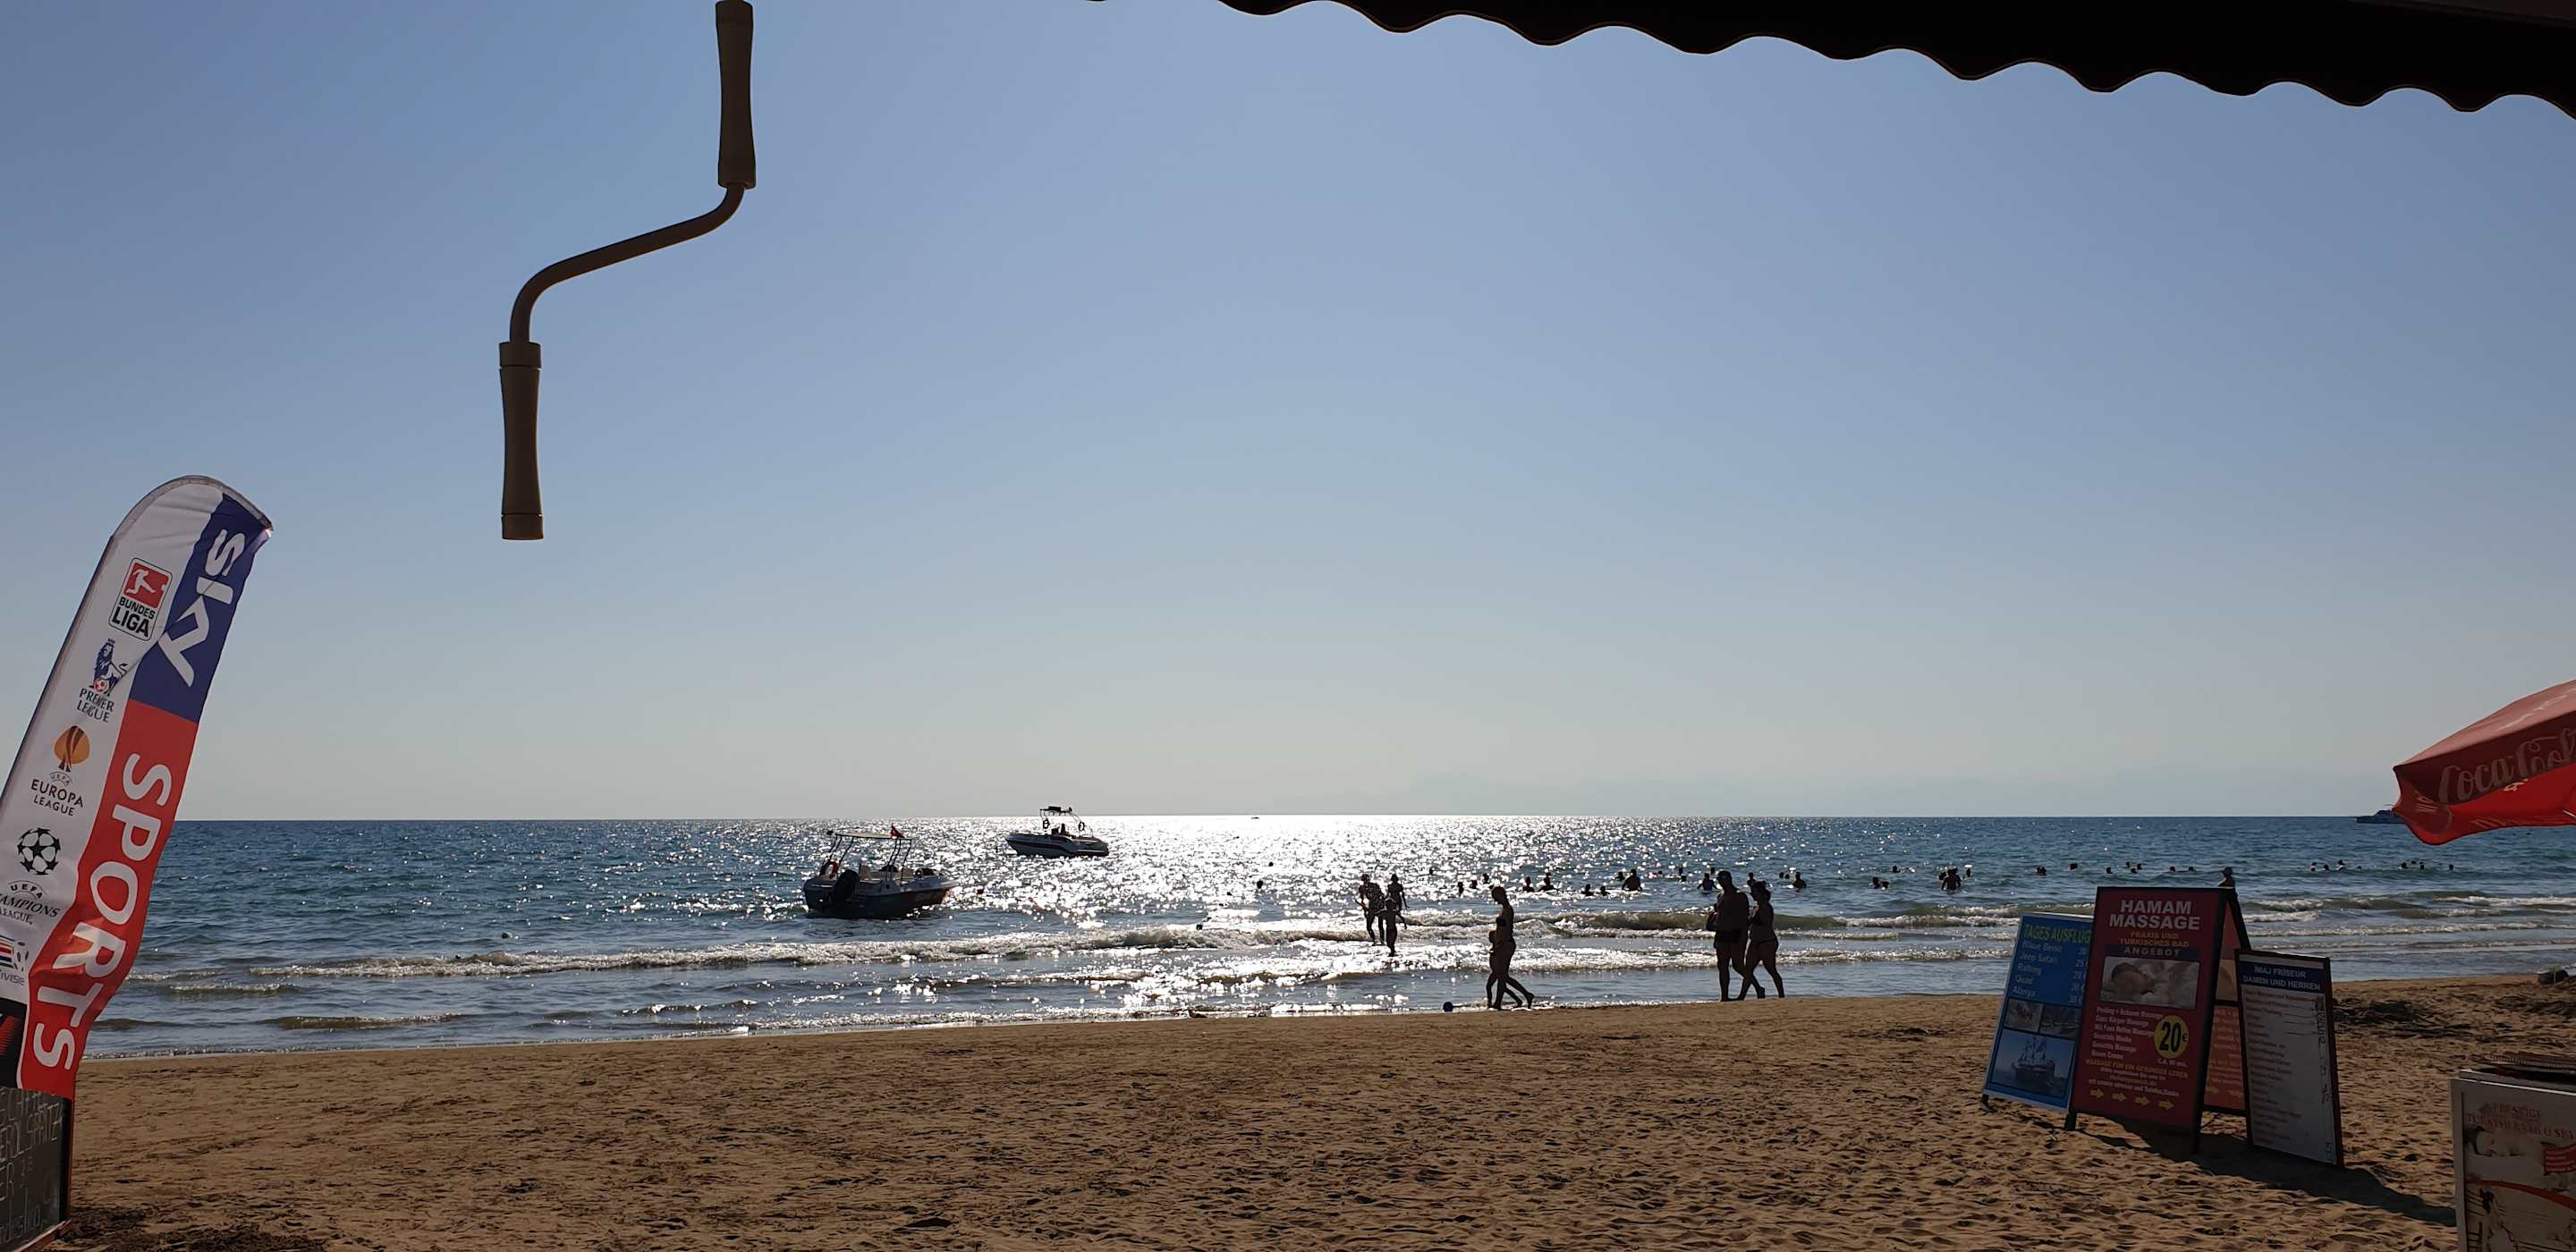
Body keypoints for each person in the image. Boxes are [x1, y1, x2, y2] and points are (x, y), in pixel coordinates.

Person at [1487, 885, 1533, 1009]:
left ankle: (1498, 1002)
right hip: (1501, 943)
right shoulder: (1503, 909)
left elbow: (1508, 930)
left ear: (1501, 895)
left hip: (1506, 944)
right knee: (1503, 976)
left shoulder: (1508, 910)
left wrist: (1500, 944)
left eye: (1495, 897)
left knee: (1502, 976)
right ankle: (1526, 995)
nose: (1495, 900)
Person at [1706, 871, 1750, 1002]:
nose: (1721, 881)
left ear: (1729, 879)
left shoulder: (1740, 895)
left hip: (1735, 932)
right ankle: (1724, 996)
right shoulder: (1720, 896)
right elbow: (1720, 915)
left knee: (1738, 965)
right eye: (1719, 879)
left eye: (1723, 879)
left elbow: (1744, 918)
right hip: (1721, 933)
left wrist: (1743, 936)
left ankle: (1757, 987)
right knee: (1722, 965)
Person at [1743, 878, 1784, 999]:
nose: (1752, 894)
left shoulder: (1766, 907)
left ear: (1761, 893)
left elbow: (1763, 922)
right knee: (1748, 971)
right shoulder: (1755, 908)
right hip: (1755, 942)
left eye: (1754, 892)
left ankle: (1781, 995)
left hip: (1766, 942)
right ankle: (1742, 996)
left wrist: (1749, 919)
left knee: (1771, 969)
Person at [1383, 874, 1409, 955]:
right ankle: (1391, 922)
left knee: (1395, 913)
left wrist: (1405, 904)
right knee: (1391, 912)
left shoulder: (1399, 886)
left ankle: (1393, 924)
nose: (1395, 880)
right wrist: (1384, 901)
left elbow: (1403, 895)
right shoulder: (1390, 886)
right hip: (1392, 900)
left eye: (1395, 879)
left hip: (1398, 900)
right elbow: (1388, 894)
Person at [1358, 875, 1386, 944]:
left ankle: (1381, 940)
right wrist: (1365, 910)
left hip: (1379, 905)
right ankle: (1375, 940)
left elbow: (1381, 895)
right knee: (1369, 926)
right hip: (1372, 906)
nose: (1365, 882)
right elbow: (1362, 900)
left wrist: (1383, 905)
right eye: (1364, 880)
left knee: (1380, 925)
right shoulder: (1362, 888)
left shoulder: (1375, 885)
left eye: (1366, 880)